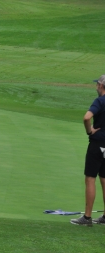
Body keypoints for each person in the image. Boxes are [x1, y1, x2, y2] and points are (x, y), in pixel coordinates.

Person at [70, 75, 105, 226]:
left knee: (90, 178)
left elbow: (86, 118)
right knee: (104, 179)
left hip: (97, 144)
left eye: (97, 84)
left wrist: (89, 131)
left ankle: (87, 218)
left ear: (100, 85)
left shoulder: (100, 101)